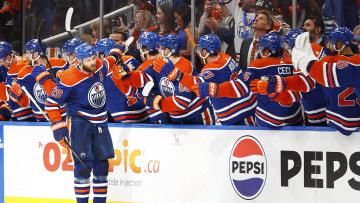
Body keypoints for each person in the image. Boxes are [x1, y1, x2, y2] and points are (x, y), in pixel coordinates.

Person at [45, 42, 122, 202]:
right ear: (79, 61)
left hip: (101, 122)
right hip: (80, 124)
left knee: (102, 167)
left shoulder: (100, 66)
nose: (93, 62)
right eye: (88, 60)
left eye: (93, 58)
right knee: (83, 168)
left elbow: (112, 60)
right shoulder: (68, 78)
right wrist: (57, 125)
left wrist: (117, 50)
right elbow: (51, 102)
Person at [193, 33, 303, 127]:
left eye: (261, 49)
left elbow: (240, 87)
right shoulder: (293, 63)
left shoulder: (258, 65)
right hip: (295, 119)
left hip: (267, 121)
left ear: (266, 52)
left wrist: (214, 89)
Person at [156, 34, 257, 125]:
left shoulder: (211, 69)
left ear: (205, 51)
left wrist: (176, 74)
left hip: (235, 114)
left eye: (199, 49)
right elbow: (241, 75)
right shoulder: (226, 57)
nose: (198, 52)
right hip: (247, 105)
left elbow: (195, 85)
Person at [129, 34, 216, 124]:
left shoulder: (184, 67)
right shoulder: (161, 64)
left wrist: (157, 102)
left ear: (167, 51)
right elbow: (143, 77)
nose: (158, 50)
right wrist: (127, 74)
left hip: (197, 114)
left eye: (160, 47)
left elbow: (181, 102)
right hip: (178, 118)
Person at [253, 29, 329, 126]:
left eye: (287, 47)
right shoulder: (318, 48)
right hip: (333, 105)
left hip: (318, 109)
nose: (287, 51)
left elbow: (304, 85)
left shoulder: (301, 58)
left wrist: (276, 89)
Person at [293, 28, 360, 135]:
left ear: (339, 43)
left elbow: (317, 77)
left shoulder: (330, 61)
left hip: (336, 120)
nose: (329, 46)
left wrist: (304, 60)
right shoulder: (357, 61)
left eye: (332, 42)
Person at [112, 31, 171, 124]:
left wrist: (117, 59)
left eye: (141, 47)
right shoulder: (167, 60)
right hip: (175, 108)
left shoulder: (145, 67)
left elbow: (130, 87)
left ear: (145, 49)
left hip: (159, 112)